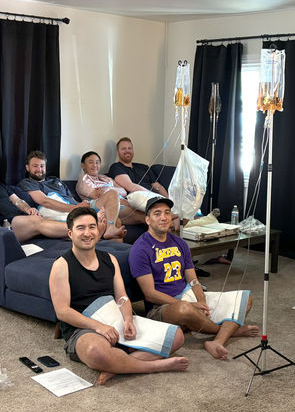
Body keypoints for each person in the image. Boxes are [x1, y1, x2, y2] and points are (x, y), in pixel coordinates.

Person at [48, 207, 189, 385]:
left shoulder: (110, 259)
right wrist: (99, 327)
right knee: (96, 352)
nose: (87, 233)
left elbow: (121, 297)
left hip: (115, 320)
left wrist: (128, 319)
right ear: (70, 233)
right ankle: (154, 366)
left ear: (98, 230)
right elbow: (62, 312)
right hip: (83, 328)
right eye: (80, 228)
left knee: (177, 336)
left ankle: (117, 365)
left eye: (92, 227)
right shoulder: (61, 266)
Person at [129, 197, 259, 360]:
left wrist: (202, 302)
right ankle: (228, 330)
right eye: (157, 214)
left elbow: (193, 279)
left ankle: (216, 341)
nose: (163, 217)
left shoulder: (179, 243)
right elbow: (150, 294)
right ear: (147, 220)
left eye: (167, 213)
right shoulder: (140, 248)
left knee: (245, 298)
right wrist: (190, 305)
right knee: (184, 310)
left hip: (188, 295)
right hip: (162, 307)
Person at [20, 150, 125, 240]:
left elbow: (71, 199)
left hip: (76, 207)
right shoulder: (28, 183)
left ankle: (112, 241)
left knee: (113, 197)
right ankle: (98, 228)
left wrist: (83, 205)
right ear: (27, 168)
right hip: (64, 211)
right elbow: (44, 201)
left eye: (42, 166)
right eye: (35, 166)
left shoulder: (55, 180)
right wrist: (76, 208)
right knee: (105, 220)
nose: (39, 169)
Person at [76, 151, 146, 226]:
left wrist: (108, 188)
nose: (95, 165)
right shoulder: (84, 180)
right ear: (83, 165)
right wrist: (128, 203)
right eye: (91, 162)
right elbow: (99, 196)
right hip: (106, 208)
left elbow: (124, 192)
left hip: (122, 203)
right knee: (143, 216)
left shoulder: (105, 178)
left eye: (97, 162)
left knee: (149, 213)